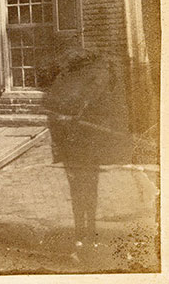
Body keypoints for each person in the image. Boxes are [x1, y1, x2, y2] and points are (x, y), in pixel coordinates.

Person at [44, 44, 130, 260]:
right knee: (83, 189)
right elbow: (53, 114)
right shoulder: (67, 83)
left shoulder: (89, 82)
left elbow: (102, 111)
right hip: (75, 144)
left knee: (84, 188)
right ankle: (83, 234)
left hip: (83, 144)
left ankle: (85, 234)